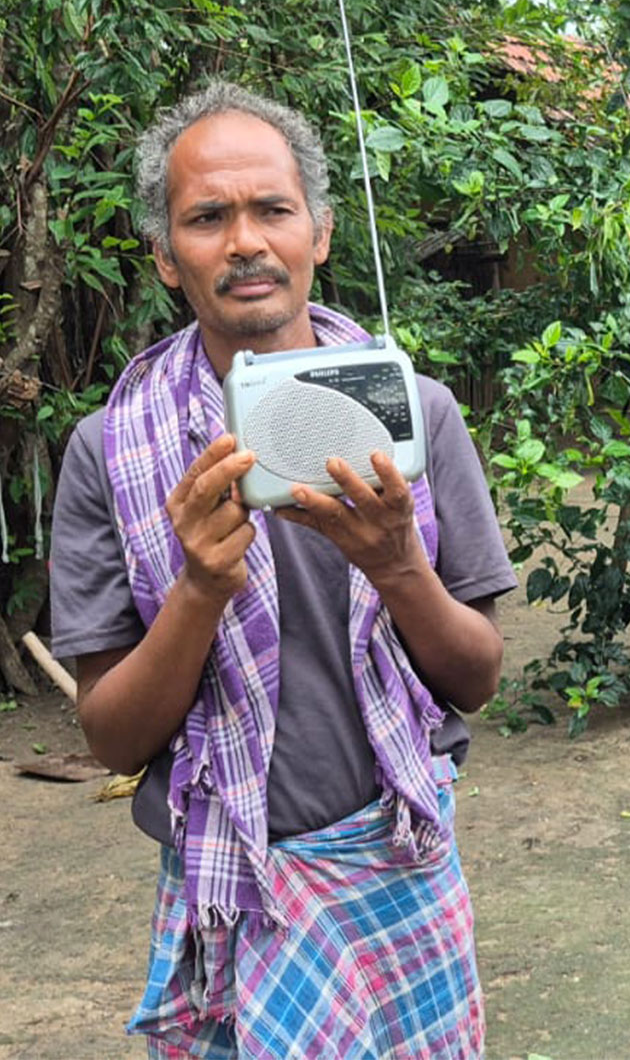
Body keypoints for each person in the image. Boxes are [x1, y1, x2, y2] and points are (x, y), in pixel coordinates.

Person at [49, 82, 515, 1057]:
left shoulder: (416, 417)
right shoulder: (114, 451)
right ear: (167, 260)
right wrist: (198, 591)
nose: (245, 241)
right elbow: (110, 736)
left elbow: (474, 676)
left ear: (322, 233)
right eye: (207, 218)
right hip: (230, 891)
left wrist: (399, 568)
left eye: (272, 209)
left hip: (399, 866)